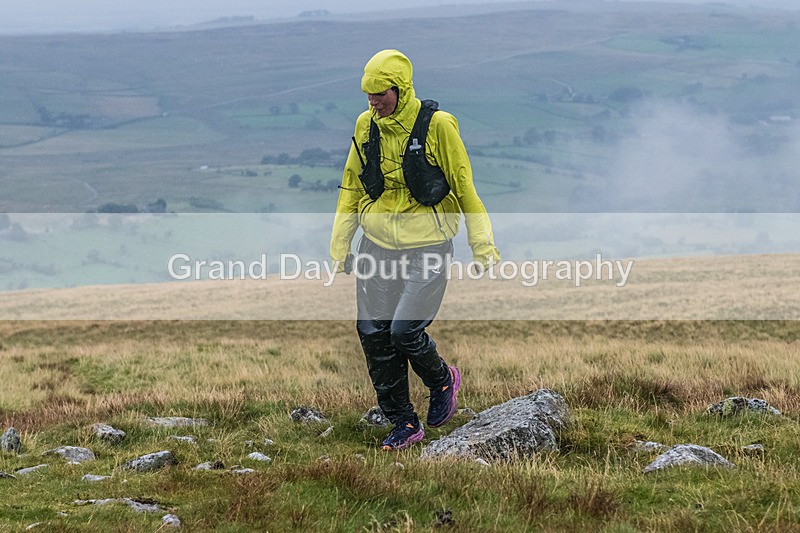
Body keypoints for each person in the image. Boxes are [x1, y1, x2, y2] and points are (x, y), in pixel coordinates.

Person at [330, 49, 500, 450]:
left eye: (380, 94)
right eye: (367, 95)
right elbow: (352, 188)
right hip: (376, 246)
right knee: (374, 334)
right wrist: (340, 246)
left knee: (405, 330)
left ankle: (442, 379)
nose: (373, 102)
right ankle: (404, 423)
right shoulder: (365, 126)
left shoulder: (438, 126)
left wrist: (483, 245)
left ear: (400, 89)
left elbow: (464, 186)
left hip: (428, 246)